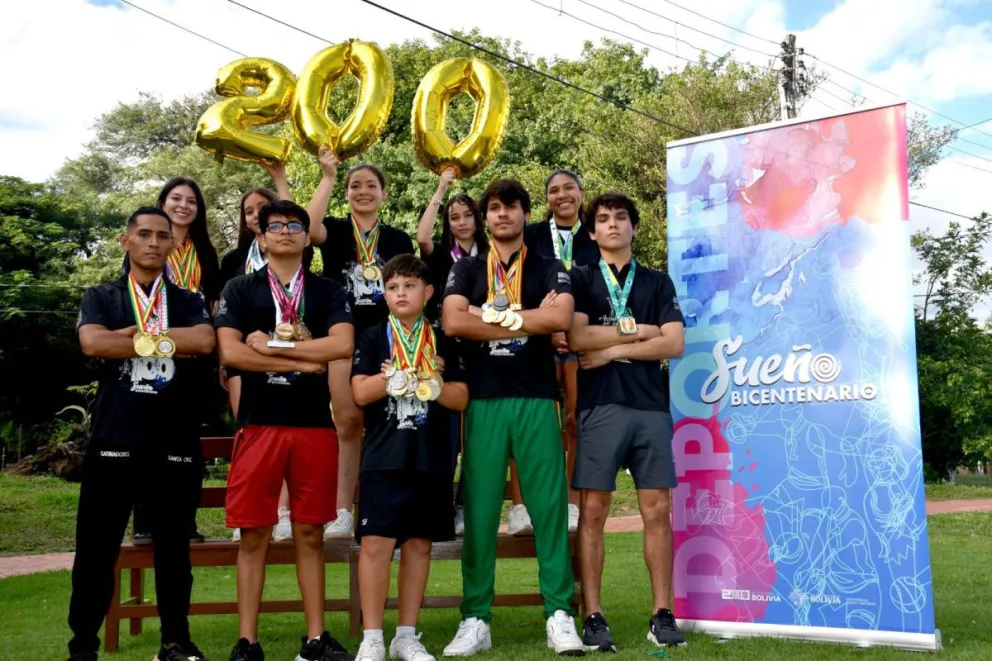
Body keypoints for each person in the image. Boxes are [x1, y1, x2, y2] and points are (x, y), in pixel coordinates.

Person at [441, 179, 584, 656]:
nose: (503, 214)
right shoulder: (466, 268)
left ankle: (559, 614)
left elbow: (560, 318)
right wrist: (526, 317)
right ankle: (475, 618)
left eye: (512, 206)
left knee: (548, 510)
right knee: (480, 513)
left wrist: (487, 316)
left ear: (526, 213)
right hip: (483, 400)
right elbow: (453, 321)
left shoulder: (548, 266)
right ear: (486, 218)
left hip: (536, 398)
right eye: (495, 208)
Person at [68, 206, 216, 661]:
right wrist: (169, 341)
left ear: (173, 244)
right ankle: (83, 646)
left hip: (174, 441)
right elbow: (92, 342)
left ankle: (175, 642)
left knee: (174, 551)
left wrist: (132, 338)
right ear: (126, 241)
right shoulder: (102, 295)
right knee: (96, 549)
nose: (153, 242)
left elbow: (204, 341)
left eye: (162, 236)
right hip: (115, 438)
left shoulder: (188, 299)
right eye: (145, 234)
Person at [215, 200, 355, 661]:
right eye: (275, 225)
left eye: (295, 225)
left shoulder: (328, 290)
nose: (286, 232)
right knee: (254, 535)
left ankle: (315, 639)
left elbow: (342, 346)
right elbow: (231, 353)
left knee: (310, 534)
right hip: (259, 424)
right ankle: (247, 641)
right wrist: (304, 359)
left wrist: (271, 347)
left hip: (313, 427)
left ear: (306, 236)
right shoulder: (240, 288)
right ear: (261, 237)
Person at [567, 193, 686, 652]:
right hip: (600, 408)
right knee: (593, 512)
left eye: (621, 217)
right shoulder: (580, 278)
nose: (613, 224)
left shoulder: (657, 281)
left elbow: (673, 343)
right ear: (592, 232)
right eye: (603, 219)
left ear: (634, 227)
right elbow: (578, 336)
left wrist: (614, 349)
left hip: (651, 408)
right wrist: (642, 331)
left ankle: (662, 614)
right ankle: (594, 615)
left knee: (657, 511)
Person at [350, 255, 469, 661]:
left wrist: (433, 382)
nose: (401, 293)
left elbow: (461, 397)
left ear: (428, 291)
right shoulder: (371, 337)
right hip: (383, 458)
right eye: (393, 287)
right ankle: (372, 638)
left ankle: (405, 635)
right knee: (375, 545)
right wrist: (395, 375)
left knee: (419, 546)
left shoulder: (445, 340)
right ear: (384, 294)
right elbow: (359, 392)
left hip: (430, 458)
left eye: (410, 285)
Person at [307, 147, 415, 539]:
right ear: (347, 193)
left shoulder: (398, 238)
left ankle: (390, 509)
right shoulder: (335, 230)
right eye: (355, 186)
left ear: (384, 194)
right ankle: (341, 509)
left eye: (371, 185)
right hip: (343, 334)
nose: (363, 192)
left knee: (391, 423)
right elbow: (308, 228)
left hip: (387, 338)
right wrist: (328, 177)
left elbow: (409, 289)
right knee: (348, 423)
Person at [131, 177, 221, 545]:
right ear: (162, 203)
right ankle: (145, 522)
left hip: (194, 356)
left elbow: (214, 304)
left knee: (185, 442)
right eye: (176, 199)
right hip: (153, 352)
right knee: (146, 436)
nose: (183, 206)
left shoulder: (205, 252)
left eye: (191, 201)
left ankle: (185, 521)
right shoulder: (147, 246)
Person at [218, 164, 297, 543]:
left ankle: (281, 512)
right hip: (245, 359)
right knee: (249, 432)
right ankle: (248, 513)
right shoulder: (233, 261)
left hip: (288, 357)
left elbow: (297, 218)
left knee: (285, 431)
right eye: (248, 211)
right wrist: (226, 359)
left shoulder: (294, 258)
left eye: (261, 209)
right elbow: (223, 316)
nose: (254, 215)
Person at [518, 169, 599, 537]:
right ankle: (525, 506)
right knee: (535, 425)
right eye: (554, 190)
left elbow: (604, 289)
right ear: (546, 198)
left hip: (582, 342)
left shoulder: (595, 234)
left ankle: (571, 502)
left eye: (569, 188)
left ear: (581, 193)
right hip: (539, 342)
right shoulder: (532, 235)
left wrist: (575, 331)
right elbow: (517, 285)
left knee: (577, 423)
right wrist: (549, 327)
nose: (562, 195)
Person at [414, 167, 489, 536]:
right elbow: (421, 237)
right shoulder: (441, 256)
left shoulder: (492, 256)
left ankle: (465, 505)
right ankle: (441, 505)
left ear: (478, 219)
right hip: (443, 345)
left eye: (467, 215)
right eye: (454, 217)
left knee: (475, 433)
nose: (461, 222)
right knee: (445, 431)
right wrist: (442, 187)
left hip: (483, 345)